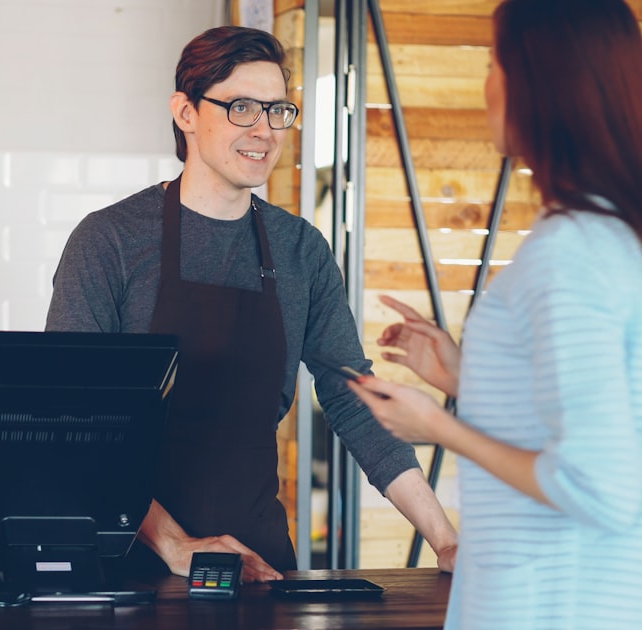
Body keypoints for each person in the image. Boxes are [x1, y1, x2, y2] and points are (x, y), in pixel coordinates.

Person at [45, 26, 458, 582]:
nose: (264, 130)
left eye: (278, 111)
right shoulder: (110, 241)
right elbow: (74, 420)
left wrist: (446, 539)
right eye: (241, 107)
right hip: (127, 567)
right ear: (186, 112)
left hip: (257, 565)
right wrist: (175, 545)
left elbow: (355, 400)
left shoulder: (301, 249)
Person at [349, 1, 642, 627]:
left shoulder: (572, 253)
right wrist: (468, 381)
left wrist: (437, 426)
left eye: (494, 61)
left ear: (539, 80)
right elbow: (588, 420)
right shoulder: (623, 236)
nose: (486, 82)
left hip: (558, 604)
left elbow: (599, 484)